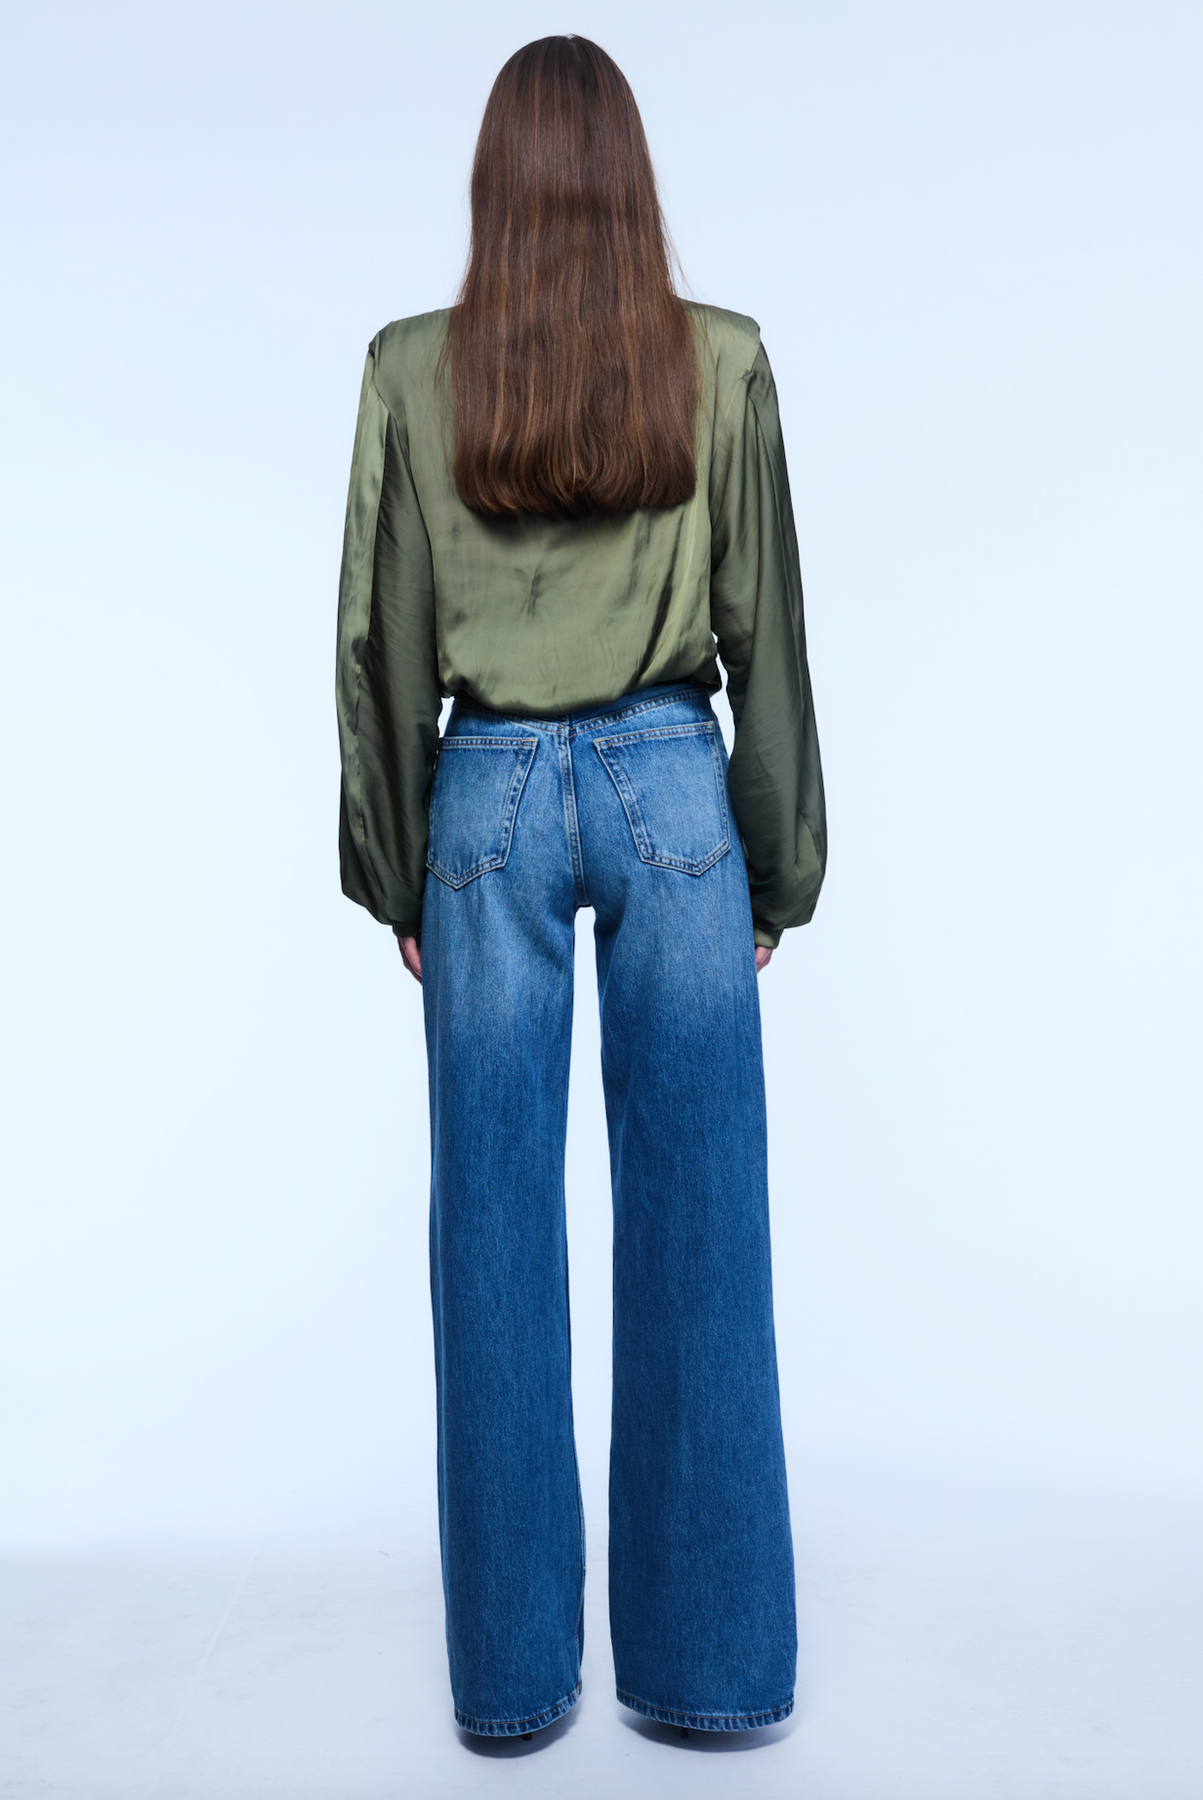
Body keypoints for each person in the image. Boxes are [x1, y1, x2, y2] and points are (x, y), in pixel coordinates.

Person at [335, 34, 826, 1740]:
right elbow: (763, 627)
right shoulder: (719, 358)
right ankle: (708, 1679)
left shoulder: (411, 369)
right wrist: (777, 866)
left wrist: (398, 865)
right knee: (701, 1226)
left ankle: (511, 1686)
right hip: (671, 784)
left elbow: (380, 636)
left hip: (482, 793)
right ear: (631, 183)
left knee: (489, 1232)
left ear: (493, 183)